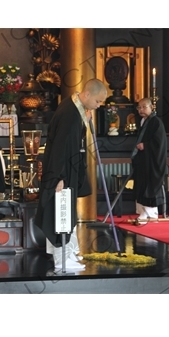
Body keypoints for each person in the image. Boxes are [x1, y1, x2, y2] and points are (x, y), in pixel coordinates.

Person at [34, 78, 108, 271]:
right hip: (62, 172)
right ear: (88, 94)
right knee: (61, 213)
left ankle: (68, 251)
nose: (98, 106)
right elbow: (60, 147)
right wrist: (58, 177)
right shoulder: (70, 113)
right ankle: (62, 259)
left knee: (65, 212)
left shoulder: (74, 107)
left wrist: (86, 120)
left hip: (67, 169)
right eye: (98, 101)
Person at [132, 97, 167, 222]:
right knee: (141, 183)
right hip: (143, 159)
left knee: (149, 183)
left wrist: (145, 145)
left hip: (152, 160)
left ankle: (151, 212)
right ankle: (142, 211)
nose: (141, 110)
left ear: (151, 107)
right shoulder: (143, 121)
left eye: (144, 107)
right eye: (139, 107)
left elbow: (159, 142)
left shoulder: (155, 122)